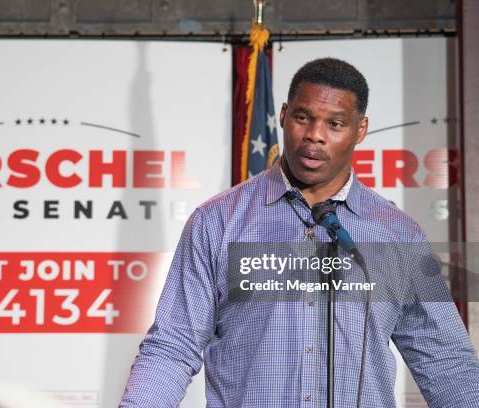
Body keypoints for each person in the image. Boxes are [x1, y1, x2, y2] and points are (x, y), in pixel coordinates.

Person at [119, 58, 479, 407]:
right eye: (303, 118)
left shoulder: (398, 234)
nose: (315, 136)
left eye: (335, 124)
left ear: (361, 129)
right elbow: (173, 344)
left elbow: (444, 359)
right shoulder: (216, 222)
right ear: (284, 115)